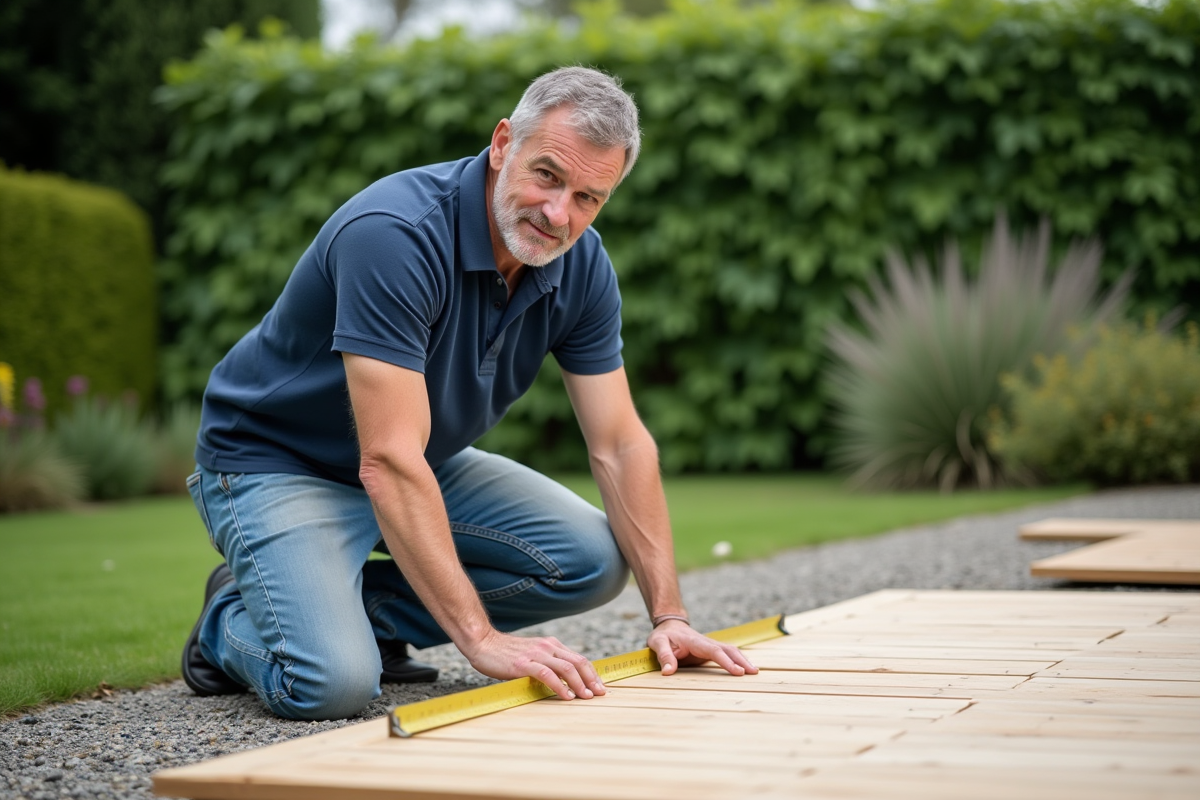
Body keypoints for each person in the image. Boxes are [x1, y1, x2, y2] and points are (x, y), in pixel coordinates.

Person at [182, 66, 757, 720]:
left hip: (417, 456)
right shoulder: (394, 235)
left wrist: (670, 616)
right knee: (333, 685)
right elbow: (387, 460)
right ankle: (228, 618)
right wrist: (481, 640)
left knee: (593, 561)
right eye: (547, 174)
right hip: (274, 464)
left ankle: (358, 611)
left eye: (588, 197)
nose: (558, 214)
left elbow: (620, 444)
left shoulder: (583, 265)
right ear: (504, 142)